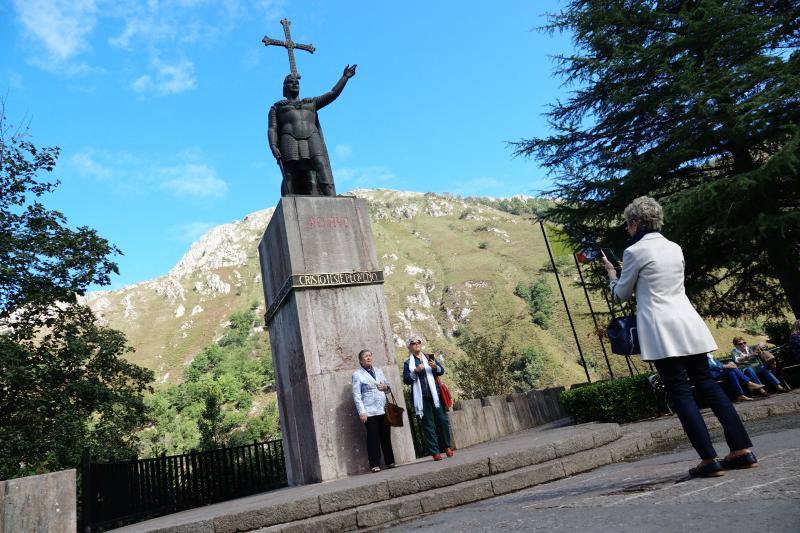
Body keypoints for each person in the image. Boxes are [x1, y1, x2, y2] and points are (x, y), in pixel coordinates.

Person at [601, 196, 756, 478]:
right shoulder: (674, 247)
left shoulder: (634, 252)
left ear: (635, 223)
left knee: (680, 390)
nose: (627, 229)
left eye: (628, 223)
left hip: (662, 329)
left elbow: (621, 295)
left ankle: (709, 460)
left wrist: (613, 274)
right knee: (709, 385)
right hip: (688, 322)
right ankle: (742, 450)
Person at [268, 65, 356, 196]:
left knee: (320, 164)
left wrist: (345, 78)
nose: (294, 84)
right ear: (284, 87)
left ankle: (330, 197)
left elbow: (332, 94)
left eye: (296, 82)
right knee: (289, 170)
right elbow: (272, 128)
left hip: (311, 136)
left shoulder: (311, 103)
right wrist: (273, 145)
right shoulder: (277, 107)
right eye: (290, 82)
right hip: (289, 138)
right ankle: (289, 199)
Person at [402, 335, 453, 461]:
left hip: (436, 395)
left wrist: (435, 366)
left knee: (443, 421)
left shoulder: (429, 357)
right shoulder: (408, 363)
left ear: (421, 344)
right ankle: (435, 451)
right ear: (410, 346)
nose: (416, 344)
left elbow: (441, 371)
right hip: (422, 398)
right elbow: (407, 380)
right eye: (413, 343)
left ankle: (447, 446)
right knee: (428, 425)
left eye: (418, 342)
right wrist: (415, 371)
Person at [351, 349, 395, 472]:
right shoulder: (357, 374)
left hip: (383, 408)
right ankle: (374, 464)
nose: (369, 358)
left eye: (370, 355)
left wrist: (385, 387)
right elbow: (356, 395)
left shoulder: (379, 371)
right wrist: (362, 412)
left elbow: (388, 388)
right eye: (366, 356)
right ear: (361, 360)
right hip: (369, 411)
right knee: (373, 438)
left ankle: (390, 461)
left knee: (386, 436)